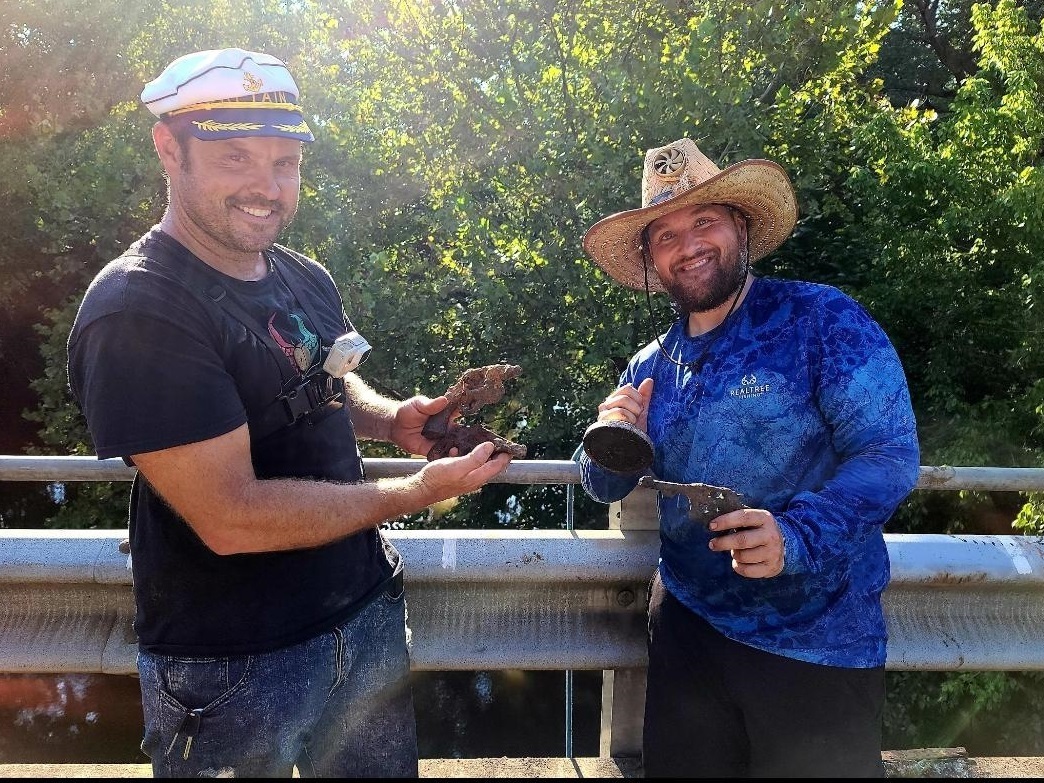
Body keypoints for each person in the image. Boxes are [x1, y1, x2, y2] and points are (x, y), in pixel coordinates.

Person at [66, 48, 514, 778]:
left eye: (284, 161)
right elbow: (229, 514)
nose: (265, 187)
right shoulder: (138, 311)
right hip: (232, 666)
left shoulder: (302, 275)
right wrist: (417, 491)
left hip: (361, 621)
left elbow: (328, 384)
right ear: (168, 149)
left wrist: (394, 419)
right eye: (234, 156)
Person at [577, 137, 920, 778]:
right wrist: (612, 430)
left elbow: (890, 454)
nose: (689, 245)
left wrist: (795, 535)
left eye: (703, 220)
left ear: (739, 224)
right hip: (686, 634)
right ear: (652, 260)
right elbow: (601, 483)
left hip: (817, 644)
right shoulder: (650, 366)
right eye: (666, 235)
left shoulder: (821, 321)